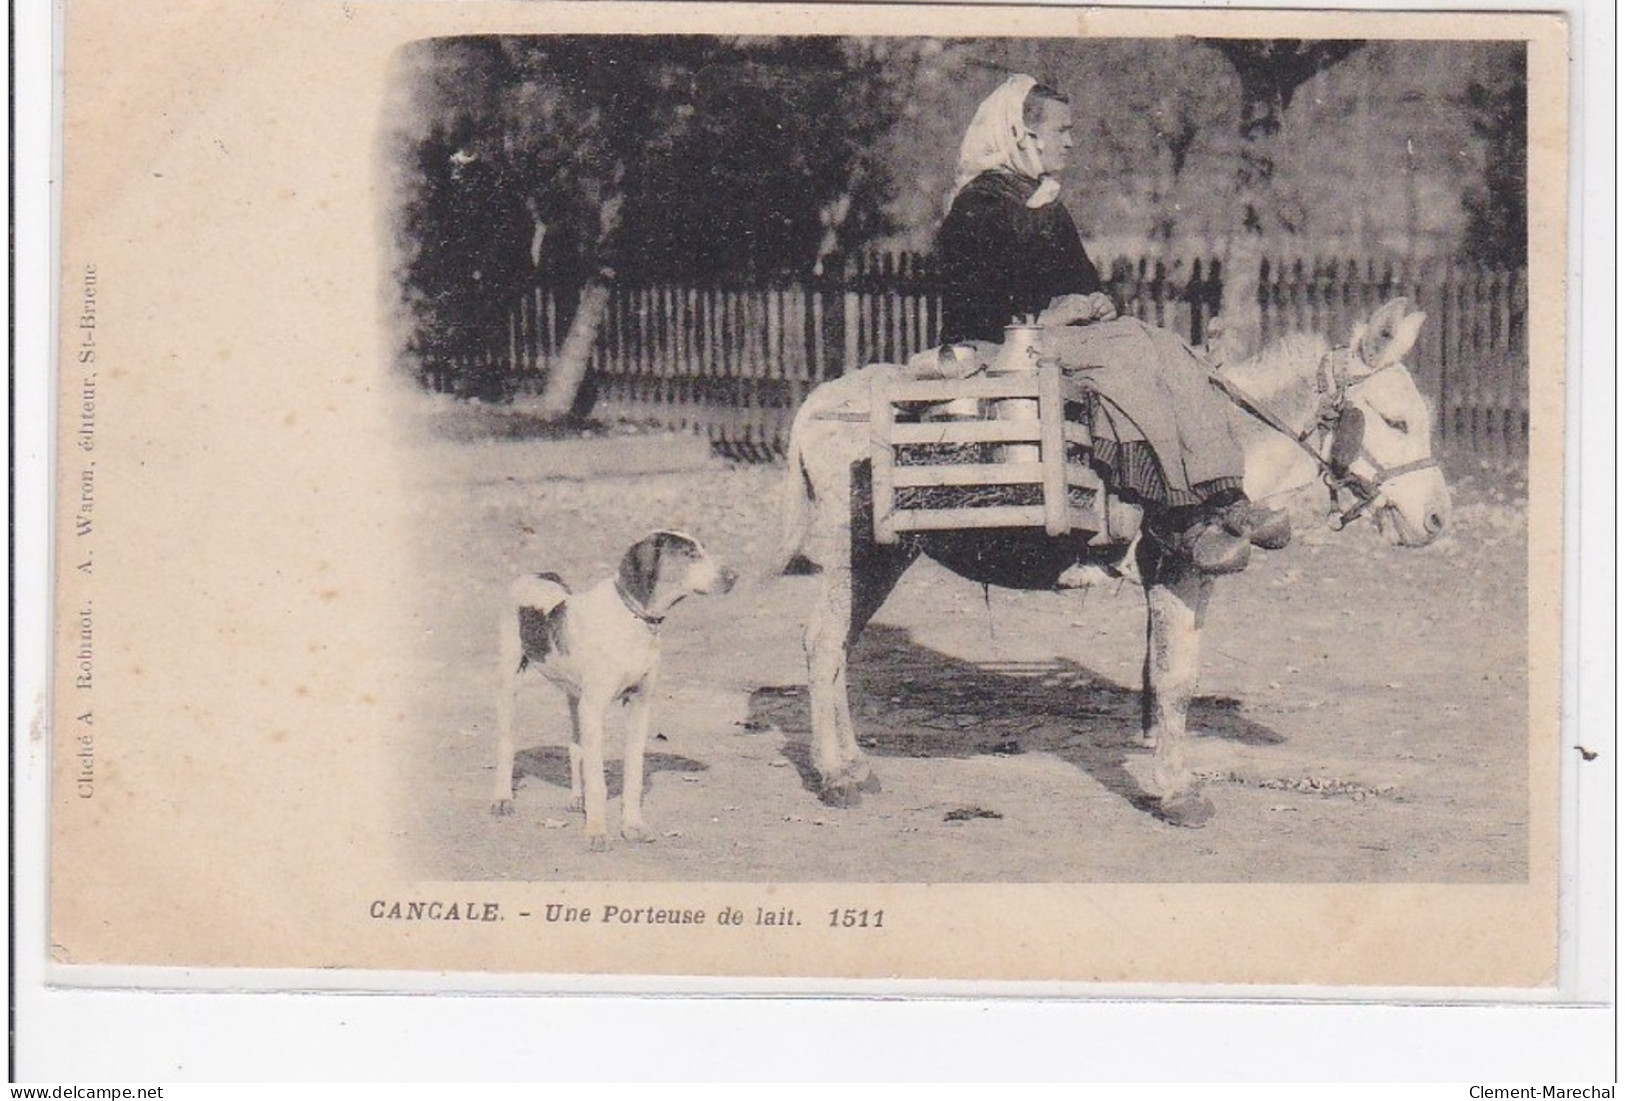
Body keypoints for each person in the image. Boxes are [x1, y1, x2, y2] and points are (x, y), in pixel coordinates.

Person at [933, 74, 1288, 572]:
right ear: (1023, 135)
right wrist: (1061, 312)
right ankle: (1180, 519)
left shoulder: (1047, 204)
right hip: (998, 348)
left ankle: (1226, 495)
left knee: (1164, 346)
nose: (1071, 141)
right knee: (1128, 357)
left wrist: (1094, 302)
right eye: (1061, 130)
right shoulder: (979, 208)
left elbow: (1082, 281)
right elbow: (979, 310)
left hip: (1062, 339)